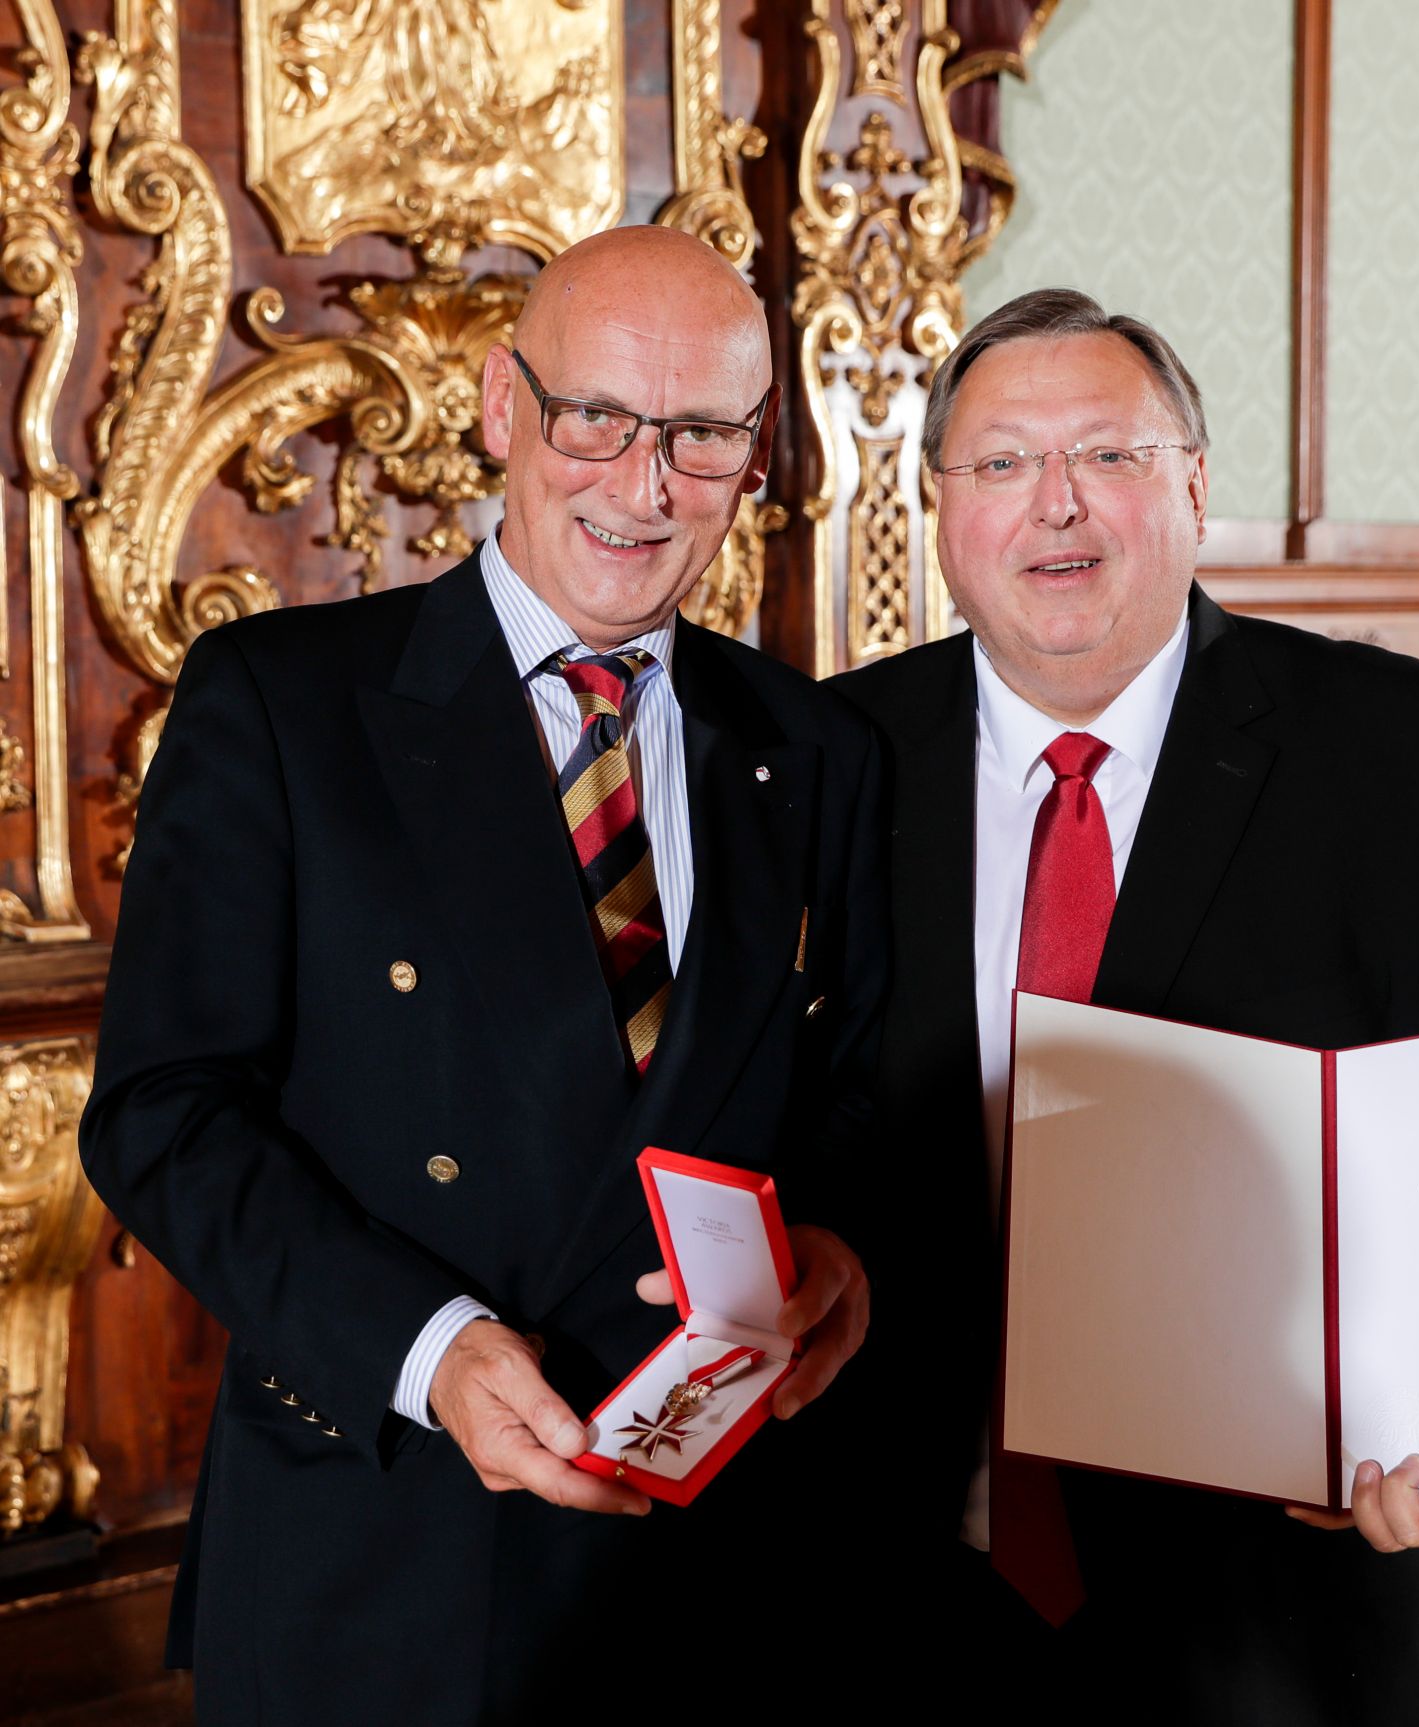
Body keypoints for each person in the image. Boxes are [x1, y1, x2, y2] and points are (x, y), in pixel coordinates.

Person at [80, 226, 883, 1726]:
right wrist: (427, 1349)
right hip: (384, 1543)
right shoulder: (284, 703)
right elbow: (162, 1114)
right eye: (598, 418)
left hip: (719, 1566)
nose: (644, 487)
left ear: (757, 451)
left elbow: (849, 1086)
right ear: (506, 409)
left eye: (700, 436)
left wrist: (836, 1246)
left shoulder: (812, 745)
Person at [839, 288, 1419, 1725]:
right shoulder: (838, 754)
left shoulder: (1405, 754)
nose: (1056, 503)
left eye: (1108, 455)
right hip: (916, 1588)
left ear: (1193, 487)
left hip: (1301, 1592)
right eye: (1001, 462)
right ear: (940, 508)